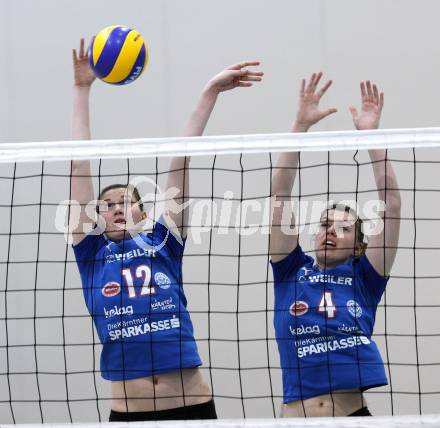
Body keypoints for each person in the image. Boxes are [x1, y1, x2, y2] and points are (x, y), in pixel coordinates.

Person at [70, 38, 263, 421]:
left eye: (126, 201)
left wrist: (210, 92)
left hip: (191, 405)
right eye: (107, 205)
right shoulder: (91, 255)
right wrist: (81, 88)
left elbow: (180, 160)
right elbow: (78, 166)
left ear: (145, 214)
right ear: (97, 218)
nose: (116, 208)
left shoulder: (163, 241)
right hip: (131, 411)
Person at [270, 72, 401, 417]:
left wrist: (371, 136)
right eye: (325, 224)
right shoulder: (290, 270)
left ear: (359, 246)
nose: (330, 231)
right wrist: (299, 125)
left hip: (350, 416)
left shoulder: (365, 276)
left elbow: (392, 202)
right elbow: (279, 194)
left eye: (343, 228)